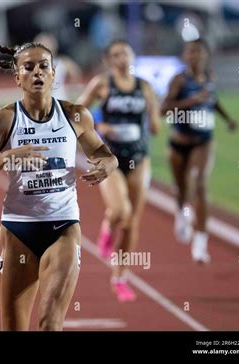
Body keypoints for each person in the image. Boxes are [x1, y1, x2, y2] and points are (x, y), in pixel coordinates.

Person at [0, 34, 118, 330]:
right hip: (18, 229)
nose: (37, 73)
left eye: (44, 66)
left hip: (63, 227)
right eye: (29, 68)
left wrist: (107, 165)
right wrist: (7, 156)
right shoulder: (5, 119)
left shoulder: (74, 115)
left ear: (54, 74)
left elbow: (105, 155)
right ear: (17, 78)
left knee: (49, 323)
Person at [77, 39, 160, 302]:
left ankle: (119, 277)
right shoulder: (102, 84)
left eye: (125, 53)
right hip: (109, 157)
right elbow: (78, 112)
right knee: (121, 211)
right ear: (109, 61)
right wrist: (100, 127)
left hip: (139, 157)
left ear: (132, 56)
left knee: (132, 221)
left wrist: (156, 117)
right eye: (115, 55)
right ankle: (108, 227)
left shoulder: (144, 87)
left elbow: (156, 124)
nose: (121, 58)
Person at [161, 38, 238, 264]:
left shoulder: (210, 78)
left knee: (200, 184)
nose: (194, 56)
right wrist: (191, 100)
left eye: (198, 52)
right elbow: (163, 109)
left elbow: (212, 101)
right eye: (190, 52)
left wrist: (227, 119)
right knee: (181, 190)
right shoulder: (179, 81)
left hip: (203, 141)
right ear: (185, 56)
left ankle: (201, 244)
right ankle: (181, 213)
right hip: (178, 142)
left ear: (206, 55)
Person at [34, 33, 81, 101]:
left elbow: (76, 73)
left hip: (59, 100)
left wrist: (71, 89)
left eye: (48, 44)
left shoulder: (62, 62)